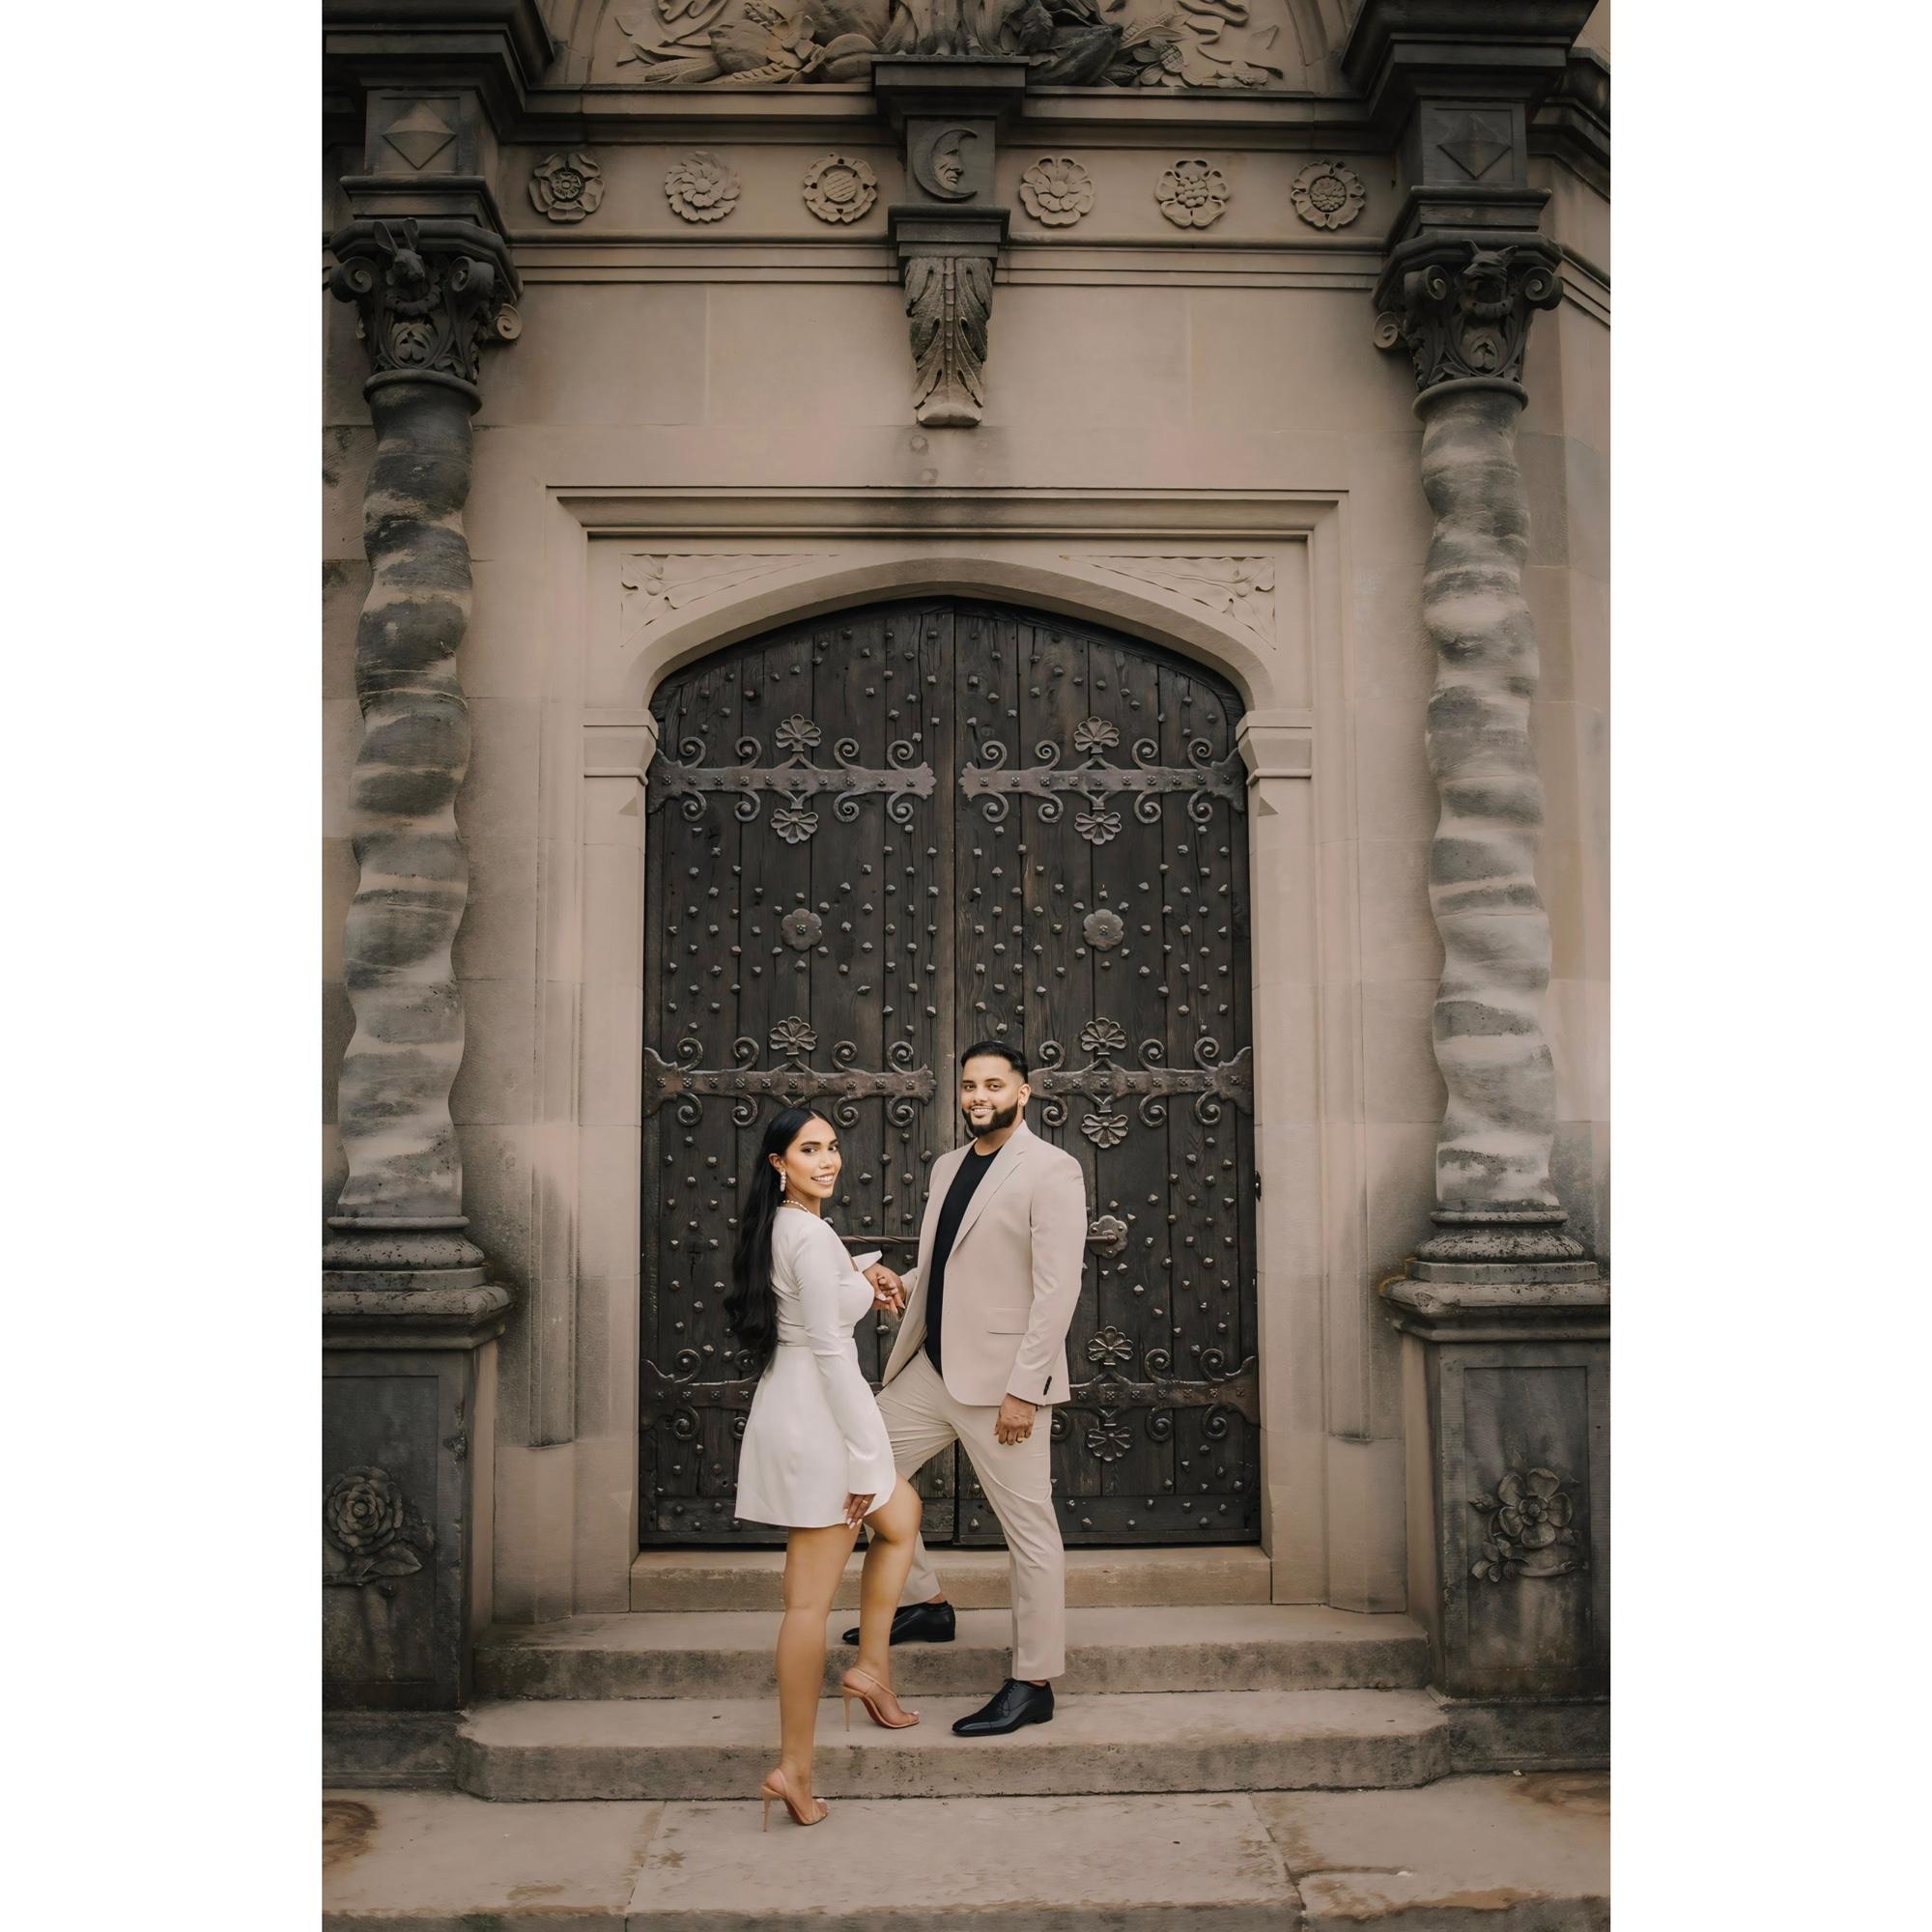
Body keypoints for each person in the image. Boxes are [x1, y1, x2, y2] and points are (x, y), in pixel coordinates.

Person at [848, 1042, 1088, 1737]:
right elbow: (950, 1265)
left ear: (1024, 1091)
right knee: (858, 1467)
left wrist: (1026, 1390)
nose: (979, 1096)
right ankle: (926, 1603)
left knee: (1030, 1533)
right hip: (932, 1369)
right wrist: (900, 1282)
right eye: (969, 1086)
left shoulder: (1053, 1169)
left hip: (1005, 1386)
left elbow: (1056, 1290)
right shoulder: (950, 1165)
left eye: (993, 1085)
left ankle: (1033, 1681)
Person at [727, 1106, 925, 1830]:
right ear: (778, 1163)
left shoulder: (790, 1226)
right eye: (809, 1150)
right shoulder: (807, 1234)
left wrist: (866, 1270)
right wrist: (867, 1460)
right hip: (820, 1421)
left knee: (902, 1518)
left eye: (833, 1147)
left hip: (804, 1404)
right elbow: (833, 1351)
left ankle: (871, 1669)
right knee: (808, 1605)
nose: (828, 1160)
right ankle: (795, 1768)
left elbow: (820, 1283)